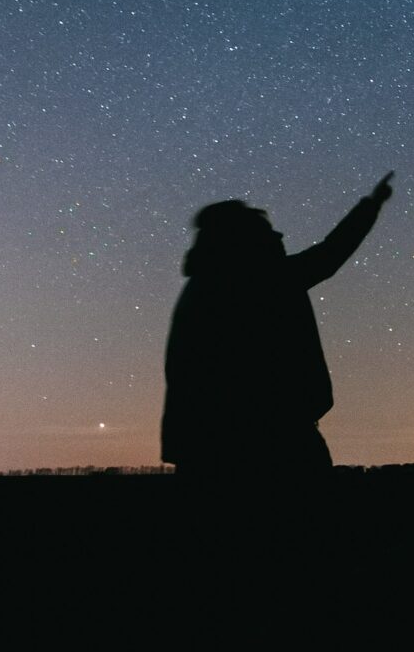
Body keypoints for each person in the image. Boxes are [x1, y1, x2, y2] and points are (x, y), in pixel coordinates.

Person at [162, 171, 394, 480]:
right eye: (267, 231)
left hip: (211, 447)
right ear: (243, 240)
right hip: (273, 442)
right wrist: (371, 205)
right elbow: (330, 254)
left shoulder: (206, 286)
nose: (279, 236)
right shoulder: (257, 279)